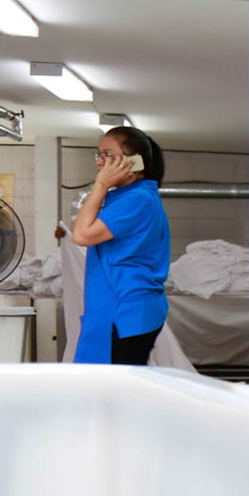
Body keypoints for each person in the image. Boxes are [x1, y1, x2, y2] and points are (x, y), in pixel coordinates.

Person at [70, 126, 171, 365]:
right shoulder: (130, 197)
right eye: (98, 155)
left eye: (108, 155)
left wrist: (100, 185)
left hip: (127, 309)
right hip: (125, 306)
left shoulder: (136, 199)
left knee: (116, 391)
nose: (100, 163)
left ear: (135, 162)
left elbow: (82, 235)